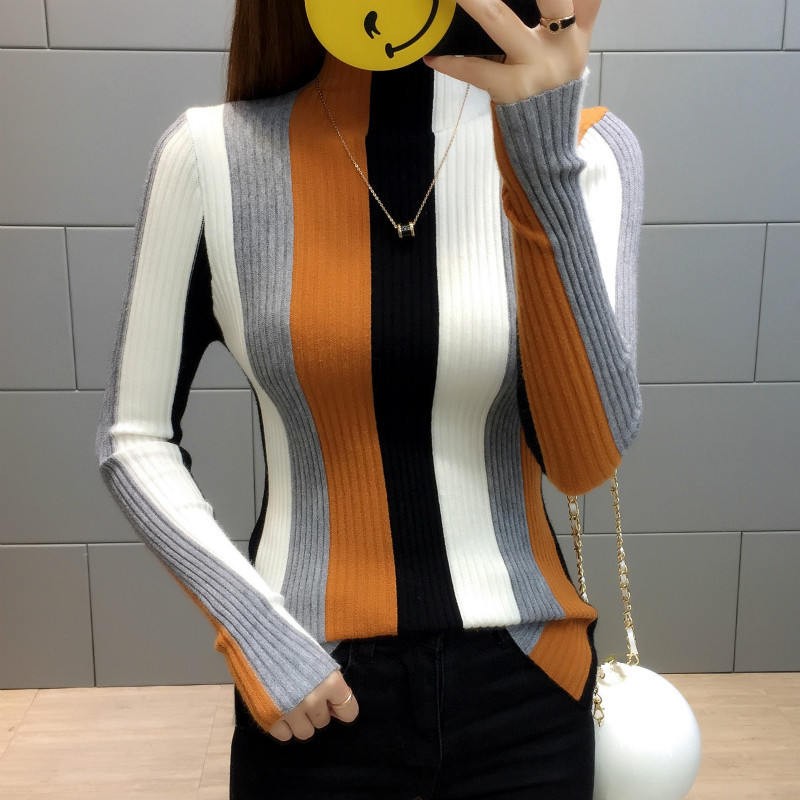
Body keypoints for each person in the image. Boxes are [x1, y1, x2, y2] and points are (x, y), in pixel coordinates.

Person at [95, 0, 643, 797]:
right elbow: (133, 436)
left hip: (528, 689)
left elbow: (584, 458)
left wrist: (540, 155)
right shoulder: (210, 157)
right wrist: (256, 632)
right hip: (313, 692)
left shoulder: (588, 151)